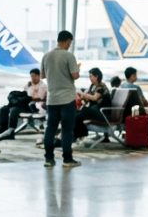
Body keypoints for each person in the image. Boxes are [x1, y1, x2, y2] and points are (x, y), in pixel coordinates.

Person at [41, 30, 81, 168]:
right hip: (67, 99)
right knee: (67, 130)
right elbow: (75, 75)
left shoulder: (46, 56)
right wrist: (77, 70)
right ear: (66, 41)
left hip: (52, 99)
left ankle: (49, 159)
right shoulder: (69, 56)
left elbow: (42, 76)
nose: (70, 45)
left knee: (50, 129)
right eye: (70, 43)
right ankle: (67, 159)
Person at [77, 68, 111, 144]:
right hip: (95, 111)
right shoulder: (92, 86)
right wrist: (82, 97)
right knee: (77, 114)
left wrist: (84, 95)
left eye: (91, 76)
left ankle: (80, 134)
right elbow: (88, 99)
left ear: (97, 76)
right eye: (89, 76)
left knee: (83, 111)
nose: (90, 78)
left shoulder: (101, 86)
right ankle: (79, 134)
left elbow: (95, 98)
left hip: (103, 114)